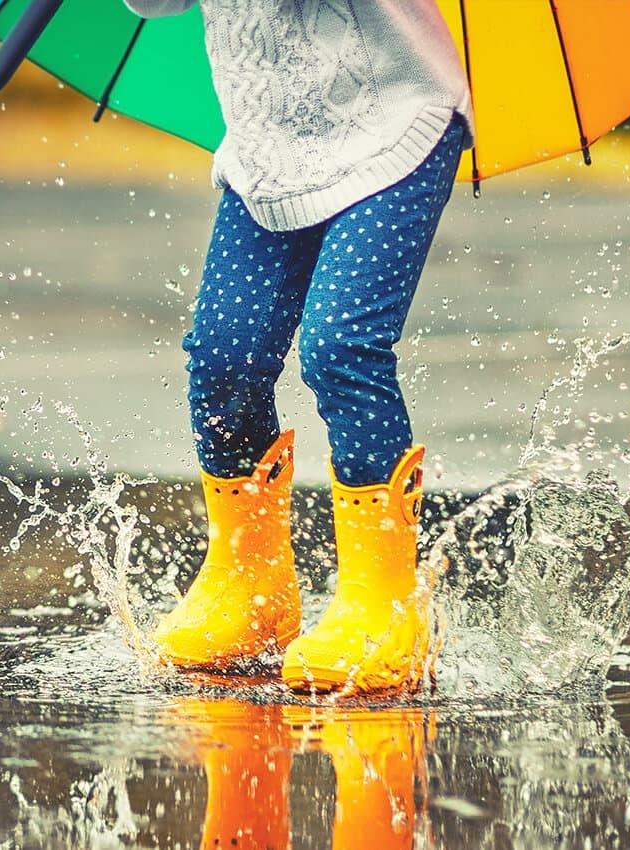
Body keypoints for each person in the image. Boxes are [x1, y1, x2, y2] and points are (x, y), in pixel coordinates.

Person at [123, 0, 472, 695]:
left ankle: (384, 603)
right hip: (269, 153)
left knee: (342, 348)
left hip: (394, 124)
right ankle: (250, 586)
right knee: (225, 359)